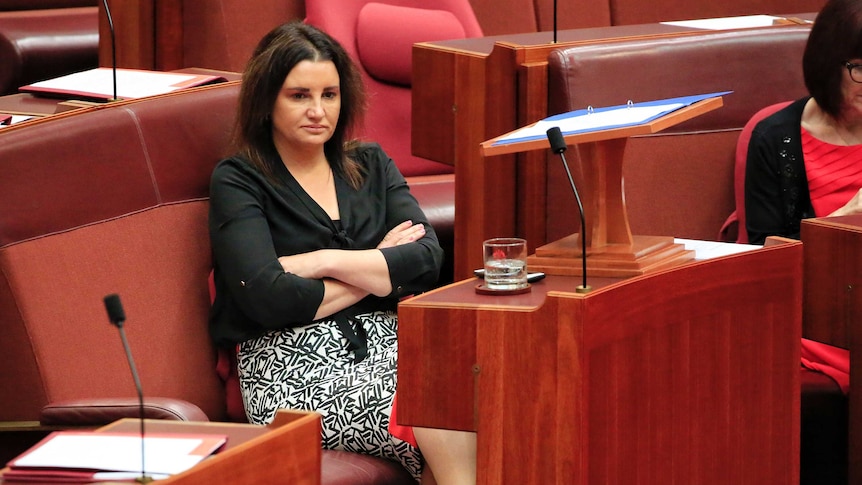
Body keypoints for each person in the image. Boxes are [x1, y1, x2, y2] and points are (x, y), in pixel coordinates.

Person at [207, 21, 476, 484]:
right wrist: (378, 266)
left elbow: (427, 262)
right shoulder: (238, 179)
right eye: (299, 96)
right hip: (290, 370)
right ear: (266, 100)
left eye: (329, 95)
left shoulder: (372, 163)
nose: (318, 111)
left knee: (487, 385)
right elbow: (267, 297)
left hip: (395, 351)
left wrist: (321, 262)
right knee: (438, 398)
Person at [744, 0, 862, 394]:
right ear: (828, 64)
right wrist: (840, 221)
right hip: (818, 310)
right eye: (861, 69)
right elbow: (767, 261)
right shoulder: (774, 138)